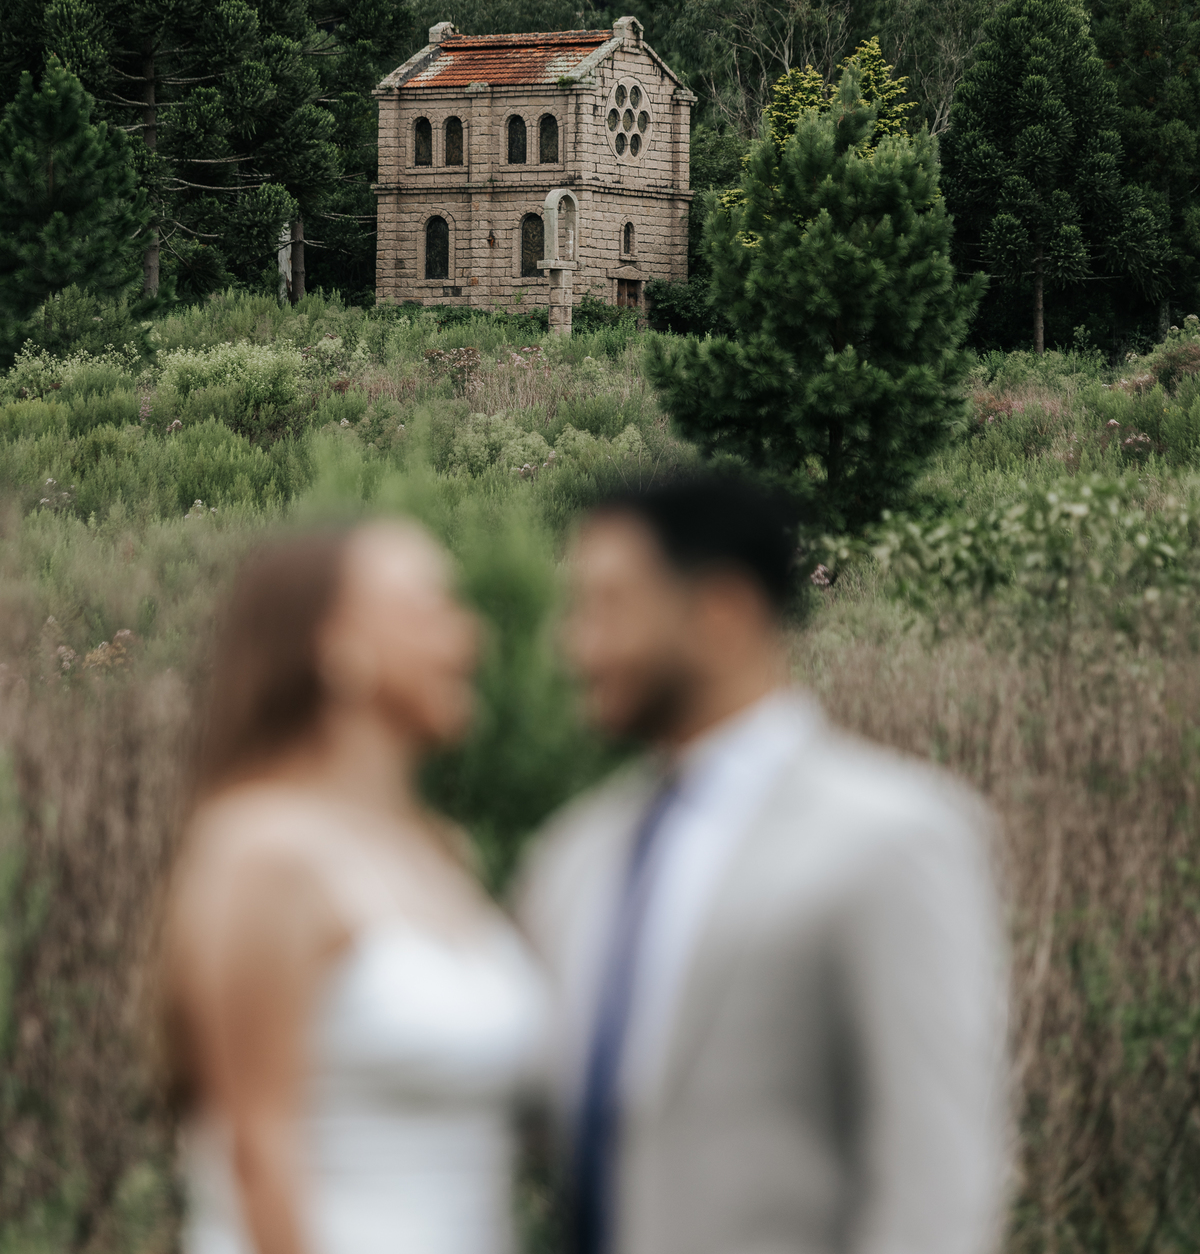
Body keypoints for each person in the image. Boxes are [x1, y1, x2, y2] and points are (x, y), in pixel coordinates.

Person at [515, 472, 1009, 1254]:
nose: (578, 646)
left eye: (609, 608)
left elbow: (935, 1178)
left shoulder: (896, 838)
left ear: (723, 613)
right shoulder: (575, 855)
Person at [163, 520, 548, 1254]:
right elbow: (257, 1155)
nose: (467, 639)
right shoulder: (265, 856)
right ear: (338, 648)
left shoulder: (440, 856)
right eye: (429, 610)